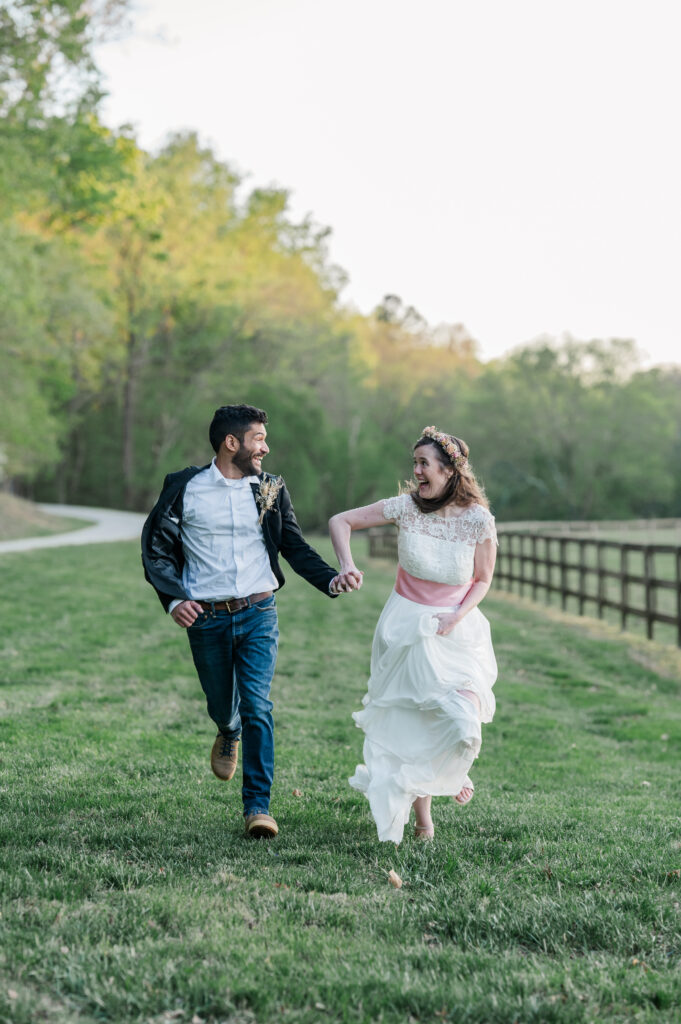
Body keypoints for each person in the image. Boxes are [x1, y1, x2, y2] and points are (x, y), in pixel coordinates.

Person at [142, 404, 360, 840]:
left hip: (259, 612)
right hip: (206, 617)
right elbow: (156, 547)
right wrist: (173, 599)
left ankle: (257, 807)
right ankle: (228, 730)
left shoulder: (272, 489)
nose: (265, 446)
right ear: (231, 443)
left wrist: (332, 579)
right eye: (258, 438)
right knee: (224, 704)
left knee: (258, 704)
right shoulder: (184, 487)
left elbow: (294, 547)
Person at [329, 426, 498, 844]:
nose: (417, 471)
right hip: (404, 626)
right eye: (415, 463)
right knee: (411, 724)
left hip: (455, 628)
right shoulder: (405, 507)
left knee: (463, 721)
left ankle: (451, 772)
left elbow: (482, 579)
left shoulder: (478, 519)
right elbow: (341, 521)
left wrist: (456, 617)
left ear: (448, 471)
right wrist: (346, 565)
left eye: (424, 463)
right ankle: (424, 820)